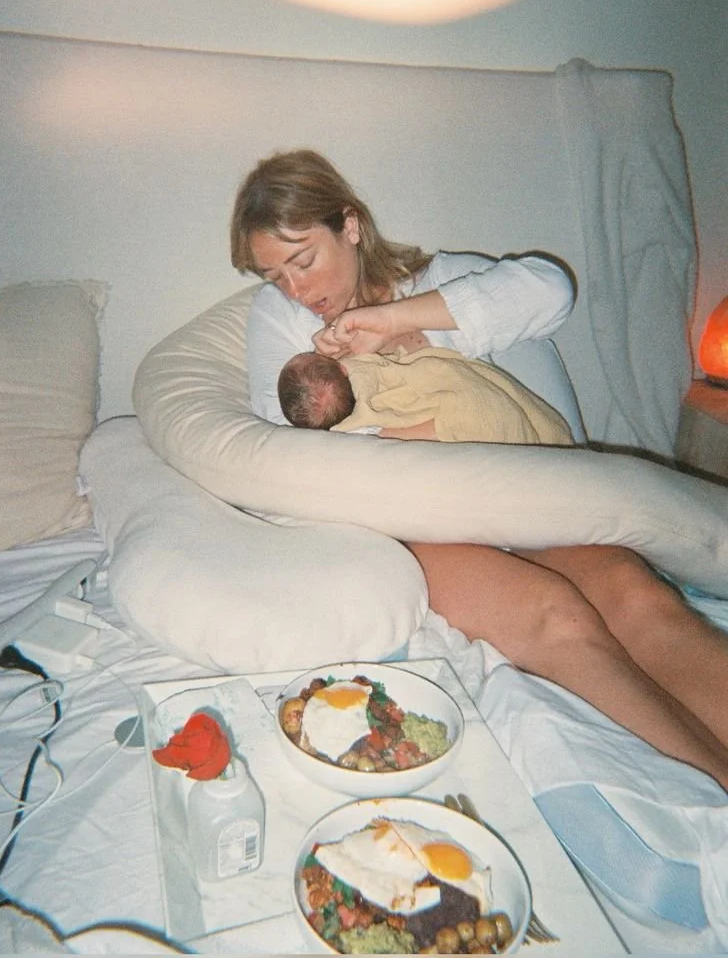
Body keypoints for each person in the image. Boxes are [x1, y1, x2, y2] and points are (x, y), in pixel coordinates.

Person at [231, 147, 728, 791]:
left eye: (303, 261)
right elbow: (285, 433)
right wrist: (435, 434)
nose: (298, 290)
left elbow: (551, 291)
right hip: (417, 520)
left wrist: (392, 323)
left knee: (639, 596)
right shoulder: (281, 319)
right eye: (276, 275)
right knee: (556, 615)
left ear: (350, 225)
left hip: (523, 500)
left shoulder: (439, 280)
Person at [277, 347, 575, 445]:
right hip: (470, 411)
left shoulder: (370, 369)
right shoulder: (363, 431)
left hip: (461, 398)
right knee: (474, 411)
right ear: (342, 369)